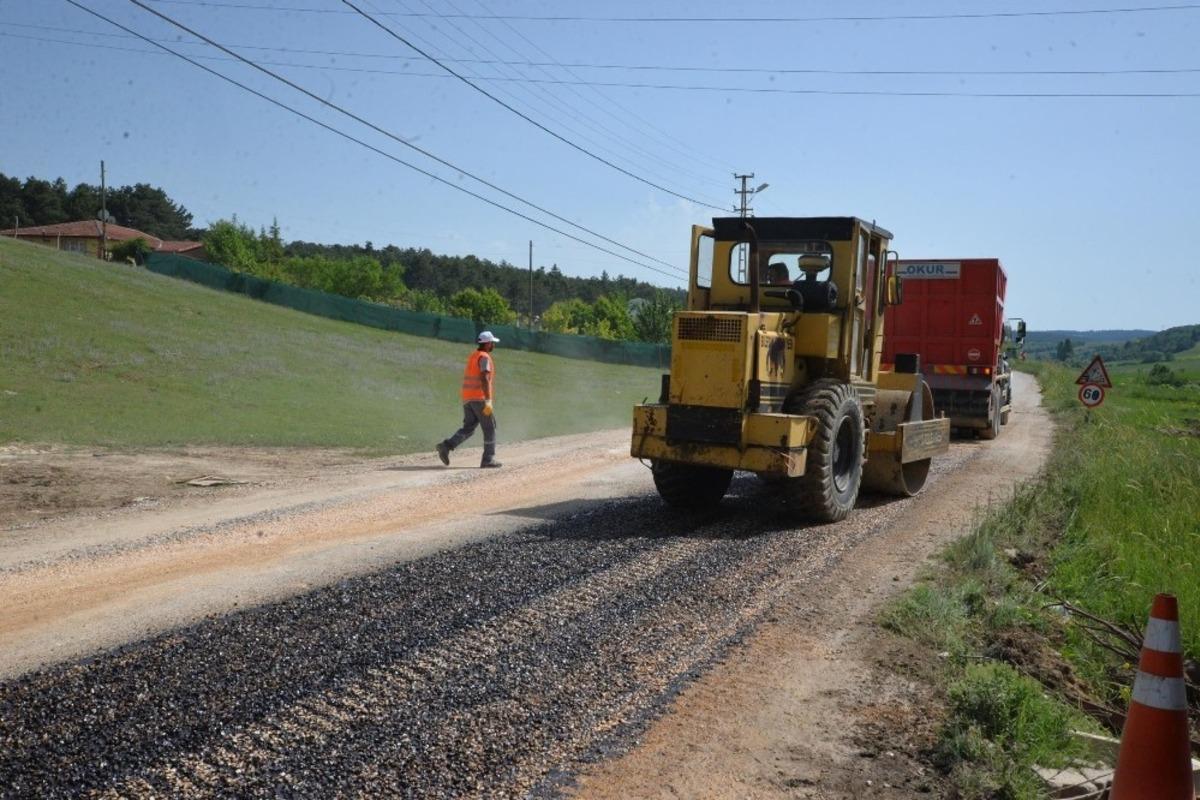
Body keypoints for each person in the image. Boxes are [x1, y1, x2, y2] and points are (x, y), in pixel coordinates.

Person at [436, 331, 502, 468]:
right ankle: (488, 459)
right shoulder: (484, 357)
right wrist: (488, 400)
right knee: (490, 428)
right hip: (479, 398)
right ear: (488, 343)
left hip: (467, 398)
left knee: (469, 428)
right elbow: (484, 378)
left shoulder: (474, 356)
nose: (493, 345)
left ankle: (447, 446)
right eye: (492, 343)